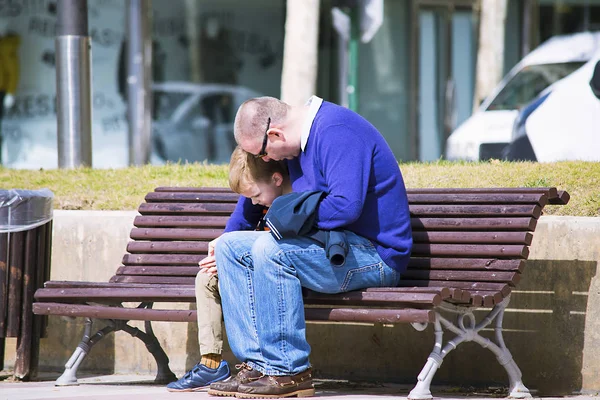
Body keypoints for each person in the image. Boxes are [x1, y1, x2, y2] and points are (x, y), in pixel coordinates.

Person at [208, 96, 413, 398]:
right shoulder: (292, 144)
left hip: (374, 254)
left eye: (262, 154)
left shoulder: (337, 132)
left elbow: (345, 208)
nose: (264, 161)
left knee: (271, 249)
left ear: (275, 135)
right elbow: (250, 201)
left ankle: (289, 371)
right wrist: (224, 240)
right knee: (231, 248)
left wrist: (284, 220)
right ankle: (258, 365)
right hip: (331, 247)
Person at [166, 146, 290, 392]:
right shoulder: (257, 192)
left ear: (277, 179)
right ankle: (211, 363)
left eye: (254, 195)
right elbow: (236, 226)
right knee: (207, 278)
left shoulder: (291, 196)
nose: (254, 202)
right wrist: (220, 249)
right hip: (255, 264)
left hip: (277, 270)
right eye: (249, 197)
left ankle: (259, 362)